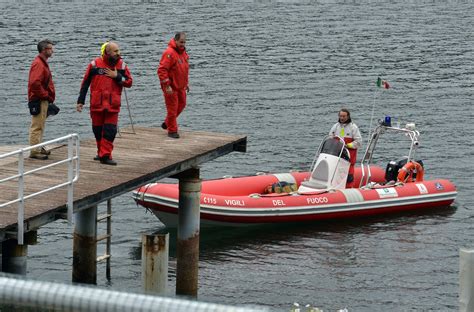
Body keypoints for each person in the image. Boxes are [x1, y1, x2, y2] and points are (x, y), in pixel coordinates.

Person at [76, 41, 133, 165]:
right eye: (116, 51)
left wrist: (117, 76)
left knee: (110, 130)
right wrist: (81, 101)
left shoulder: (122, 66)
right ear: (107, 53)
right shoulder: (94, 65)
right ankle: (101, 152)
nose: (119, 53)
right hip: (97, 104)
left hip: (113, 105)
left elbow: (129, 82)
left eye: (119, 51)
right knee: (97, 130)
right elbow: (85, 83)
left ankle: (105, 155)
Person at [157, 32, 189, 139]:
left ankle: (167, 122)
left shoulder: (183, 53)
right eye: (181, 42)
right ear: (175, 41)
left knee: (182, 104)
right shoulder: (169, 53)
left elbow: (184, 70)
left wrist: (186, 83)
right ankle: (172, 130)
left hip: (180, 85)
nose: (183, 44)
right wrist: (167, 85)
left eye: (184, 42)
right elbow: (162, 70)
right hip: (171, 86)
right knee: (172, 108)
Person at [28, 39, 55, 160]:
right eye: (50, 48)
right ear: (44, 50)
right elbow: (34, 83)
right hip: (39, 100)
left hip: (42, 99)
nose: (52, 50)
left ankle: (38, 147)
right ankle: (34, 151)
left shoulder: (42, 62)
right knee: (37, 125)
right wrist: (45, 95)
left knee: (41, 124)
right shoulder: (39, 64)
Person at [329, 108, 362, 188]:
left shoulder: (353, 127)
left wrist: (348, 145)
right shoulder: (335, 127)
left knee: (349, 177)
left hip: (349, 157)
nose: (342, 118)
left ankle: (349, 190)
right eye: (340, 116)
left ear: (348, 116)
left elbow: (358, 142)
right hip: (337, 157)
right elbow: (330, 138)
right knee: (335, 175)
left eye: (344, 116)